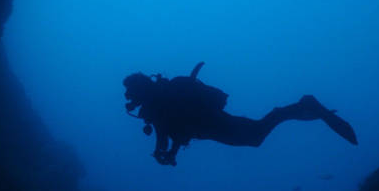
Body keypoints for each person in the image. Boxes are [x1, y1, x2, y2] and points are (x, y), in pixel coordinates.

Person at [123, 62, 358, 166]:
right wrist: (168, 152)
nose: (129, 97)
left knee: (256, 137)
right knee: (257, 135)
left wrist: (162, 152)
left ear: (140, 90)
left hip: (218, 126)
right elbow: (175, 130)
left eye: (131, 92)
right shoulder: (162, 102)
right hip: (216, 125)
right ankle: (302, 108)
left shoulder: (159, 106)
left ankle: (304, 105)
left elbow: (167, 132)